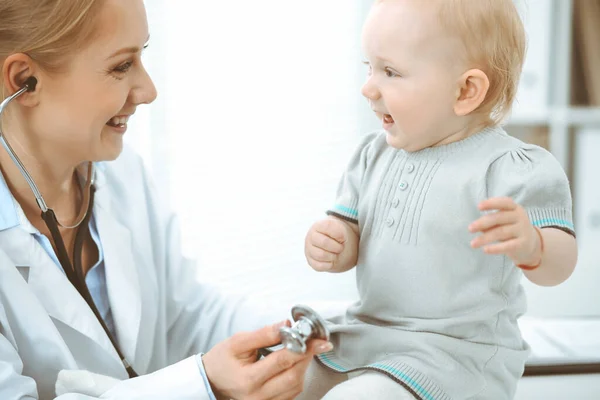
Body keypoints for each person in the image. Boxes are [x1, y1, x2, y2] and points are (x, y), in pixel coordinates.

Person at [0, 0, 332, 399]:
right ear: (24, 79)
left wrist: (311, 328)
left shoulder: (119, 175)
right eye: (122, 66)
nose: (148, 91)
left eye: (142, 57)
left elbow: (185, 318)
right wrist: (203, 386)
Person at [302, 0, 578, 399]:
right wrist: (334, 241)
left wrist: (534, 245)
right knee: (282, 379)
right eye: (369, 67)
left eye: (391, 71)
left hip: (453, 356)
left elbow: (560, 265)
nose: (368, 87)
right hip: (368, 338)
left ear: (466, 90)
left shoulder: (510, 168)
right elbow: (350, 236)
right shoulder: (373, 154)